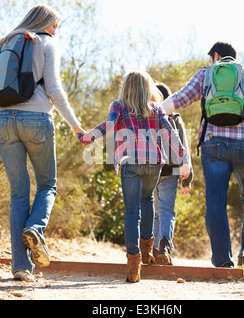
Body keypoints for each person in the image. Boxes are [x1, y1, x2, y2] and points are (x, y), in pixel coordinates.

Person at [161, 42, 244, 269]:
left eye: (210, 59)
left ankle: (223, 261)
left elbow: (180, 99)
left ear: (215, 56)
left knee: (216, 203)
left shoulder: (205, 75)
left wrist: (154, 110)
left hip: (213, 146)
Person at [0, 4, 84, 282]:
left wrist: (2, 119)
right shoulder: (47, 42)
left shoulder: (4, 42)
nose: (56, 30)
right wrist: (76, 126)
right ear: (44, 23)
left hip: (3, 121)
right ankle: (35, 229)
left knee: (18, 193)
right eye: (55, 25)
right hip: (37, 120)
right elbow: (53, 88)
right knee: (47, 185)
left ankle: (20, 268)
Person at [77, 71, 190, 282]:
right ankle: (147, 250)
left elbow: (109, 126)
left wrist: (86, 137)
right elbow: (170, 133)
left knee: (131, 211)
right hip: (154, 162)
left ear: (126, 87)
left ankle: (133, 264)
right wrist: (183, 159)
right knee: (147, 200)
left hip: (130, 161)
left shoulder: (118, 106)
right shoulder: (156, 108)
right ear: (148, 89)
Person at [153, 82, 193, 265]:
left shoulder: (145, 115)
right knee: (166, 210)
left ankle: (152, 249)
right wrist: (187, 177)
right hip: (170, 169)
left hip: (149, 169)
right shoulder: (174, 117)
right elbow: (184, 146)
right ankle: (164, 246)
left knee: (153, 212)